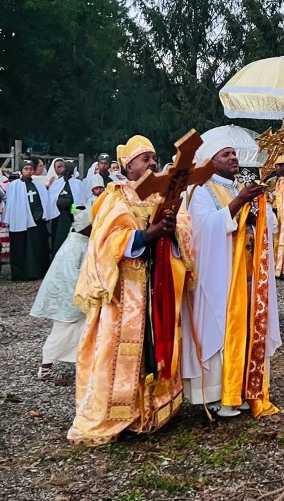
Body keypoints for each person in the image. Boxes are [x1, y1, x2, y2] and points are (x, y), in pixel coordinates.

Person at [68, 135, 194, 446]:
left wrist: (173, 230)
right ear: (128, 166)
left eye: (154, 157)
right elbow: (105, 242)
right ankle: (115, 415)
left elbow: (185, 229)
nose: (152, 162)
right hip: (124, 292)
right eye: (145, 158)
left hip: (157, 285)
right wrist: (147, 235)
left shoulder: (162, 194)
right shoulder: (117, 197)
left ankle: (149, 413)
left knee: (153, 346)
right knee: (118, 353)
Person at [182, 127, 280, 419]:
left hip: (246, 272)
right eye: (226, 154)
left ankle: (244, 387)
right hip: (219, 276)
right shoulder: (201, 191)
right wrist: (239, 204)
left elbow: (268, 225)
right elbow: (203, 229)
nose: (233, 158)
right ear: (211, 161)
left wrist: (257, 212)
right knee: (220, 328)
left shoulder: (240, 187)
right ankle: (216, 393)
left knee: (247, 326)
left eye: (234, 153)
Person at [31, 204, 92, 381]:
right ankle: (45, 368)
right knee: (62, 332)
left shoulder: (80, 241)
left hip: (75, 297)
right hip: (68, 297)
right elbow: (70, 276)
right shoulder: (75, 245)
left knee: (78, 331)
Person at [3, 160, 52, 281]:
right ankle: (20, 273)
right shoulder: (14, 185)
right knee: (20, 247)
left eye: (31, 169)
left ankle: (35, 272)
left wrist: (39, 214)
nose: (29, 171)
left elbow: (43, 202)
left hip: (36, 220)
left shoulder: (39, 185)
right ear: (21, 170)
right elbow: (11, 203)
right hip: (19, 220)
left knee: (35, 247)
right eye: (26, 169)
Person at [47, 159, 85, 259]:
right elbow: (52, 198)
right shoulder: (57, 183)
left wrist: (71, 205)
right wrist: (61, 202)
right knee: (59, 238)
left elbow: (80, 201)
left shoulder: (77, 183)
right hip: (59, 215)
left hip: (72, 215)